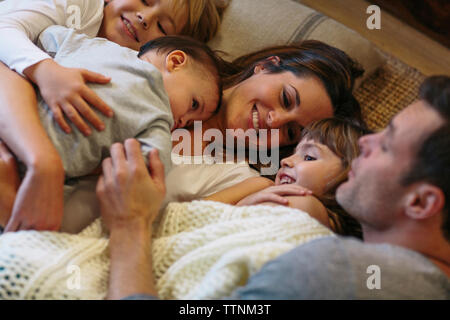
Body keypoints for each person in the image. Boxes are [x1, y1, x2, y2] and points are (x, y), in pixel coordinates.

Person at [95, 75, 450, 299]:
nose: (368, 143)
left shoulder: (332, 269)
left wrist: (130, 225)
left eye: (386, 145)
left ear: (421, 202)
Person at [0, 39, 364, 233]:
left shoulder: (243, 180)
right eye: (286, 99)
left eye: (290, 130)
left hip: (28, 227)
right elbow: (10, 66)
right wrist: (39, 159)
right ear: (267, 66)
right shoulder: (164, 68)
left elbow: (169, 231)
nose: (274, 121)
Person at [0, 25, 223, 232]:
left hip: (17, 127)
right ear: (175, 62)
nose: (183, 121)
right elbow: (152, 168)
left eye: (191, 123)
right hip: (27, 161)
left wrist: (49, 64)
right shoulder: (158, 117)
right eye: (194, 105)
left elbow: (51, 35)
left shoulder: (102, 48)